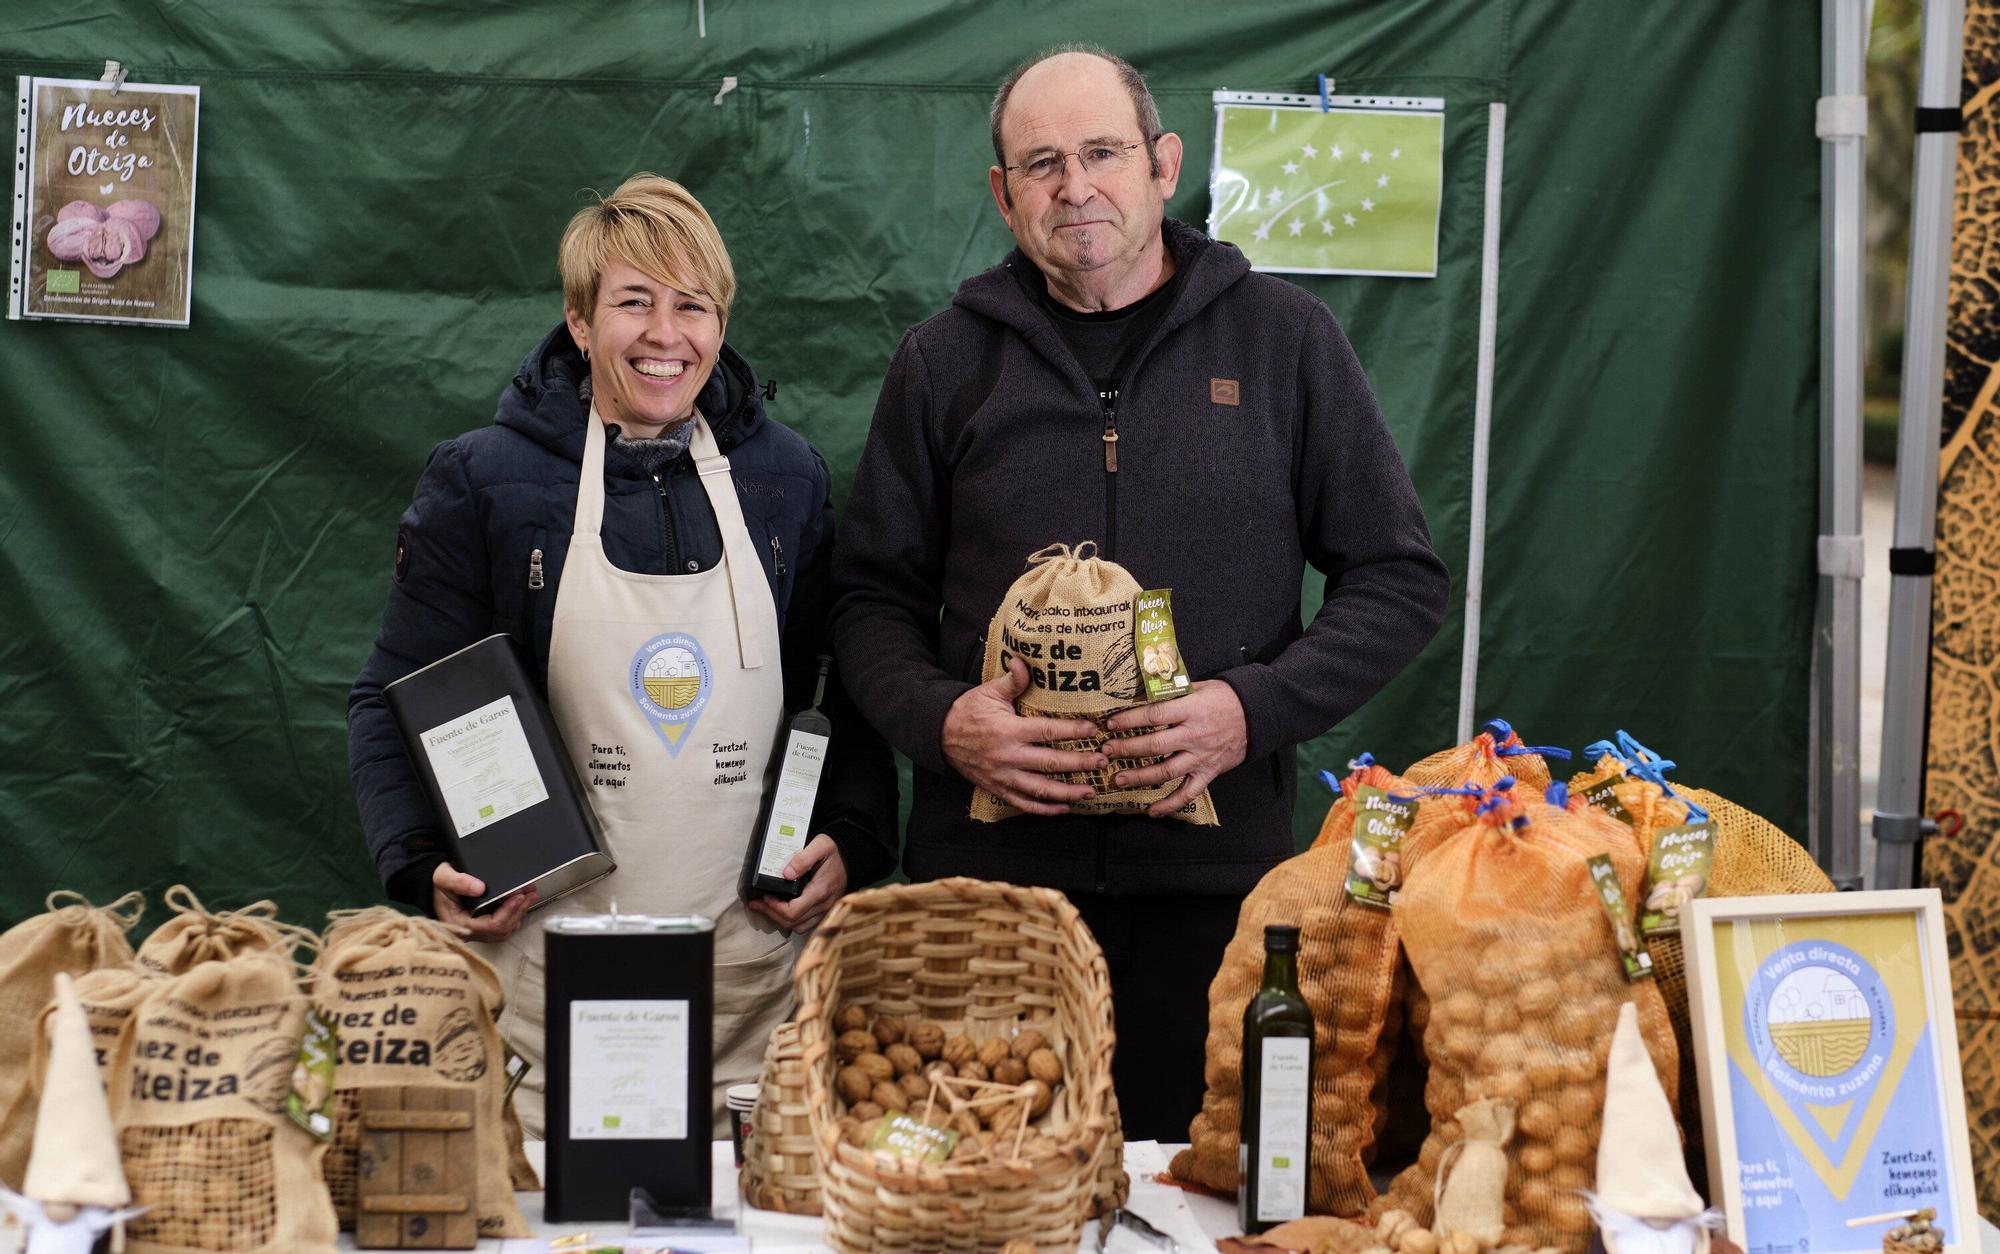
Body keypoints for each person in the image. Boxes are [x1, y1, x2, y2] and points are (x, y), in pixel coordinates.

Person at [831, 49, 1449, 1139]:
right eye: (1041, 163)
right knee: (984, 1223)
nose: (1076, 187)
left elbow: (1396, 580)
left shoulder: (1286, 343)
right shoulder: (941, 364)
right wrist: (945, 725)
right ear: (1001, 193)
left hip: (1216, 902)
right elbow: (868, 601)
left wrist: (1246, 711)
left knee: (1200, 1226)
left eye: (1103, 152)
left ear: (1163, 165)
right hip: (989, 909)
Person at [348, 172, 897, 1136]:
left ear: (721, 324)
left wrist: (851, 831)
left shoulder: (786, 479)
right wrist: (421, 859)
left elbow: (842, 692)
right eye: (634, 302)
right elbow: (392, 698)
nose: (665, 335)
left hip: (750, 988)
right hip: (544, 988)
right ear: (578, 319)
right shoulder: (485, 480)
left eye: (693, 306)